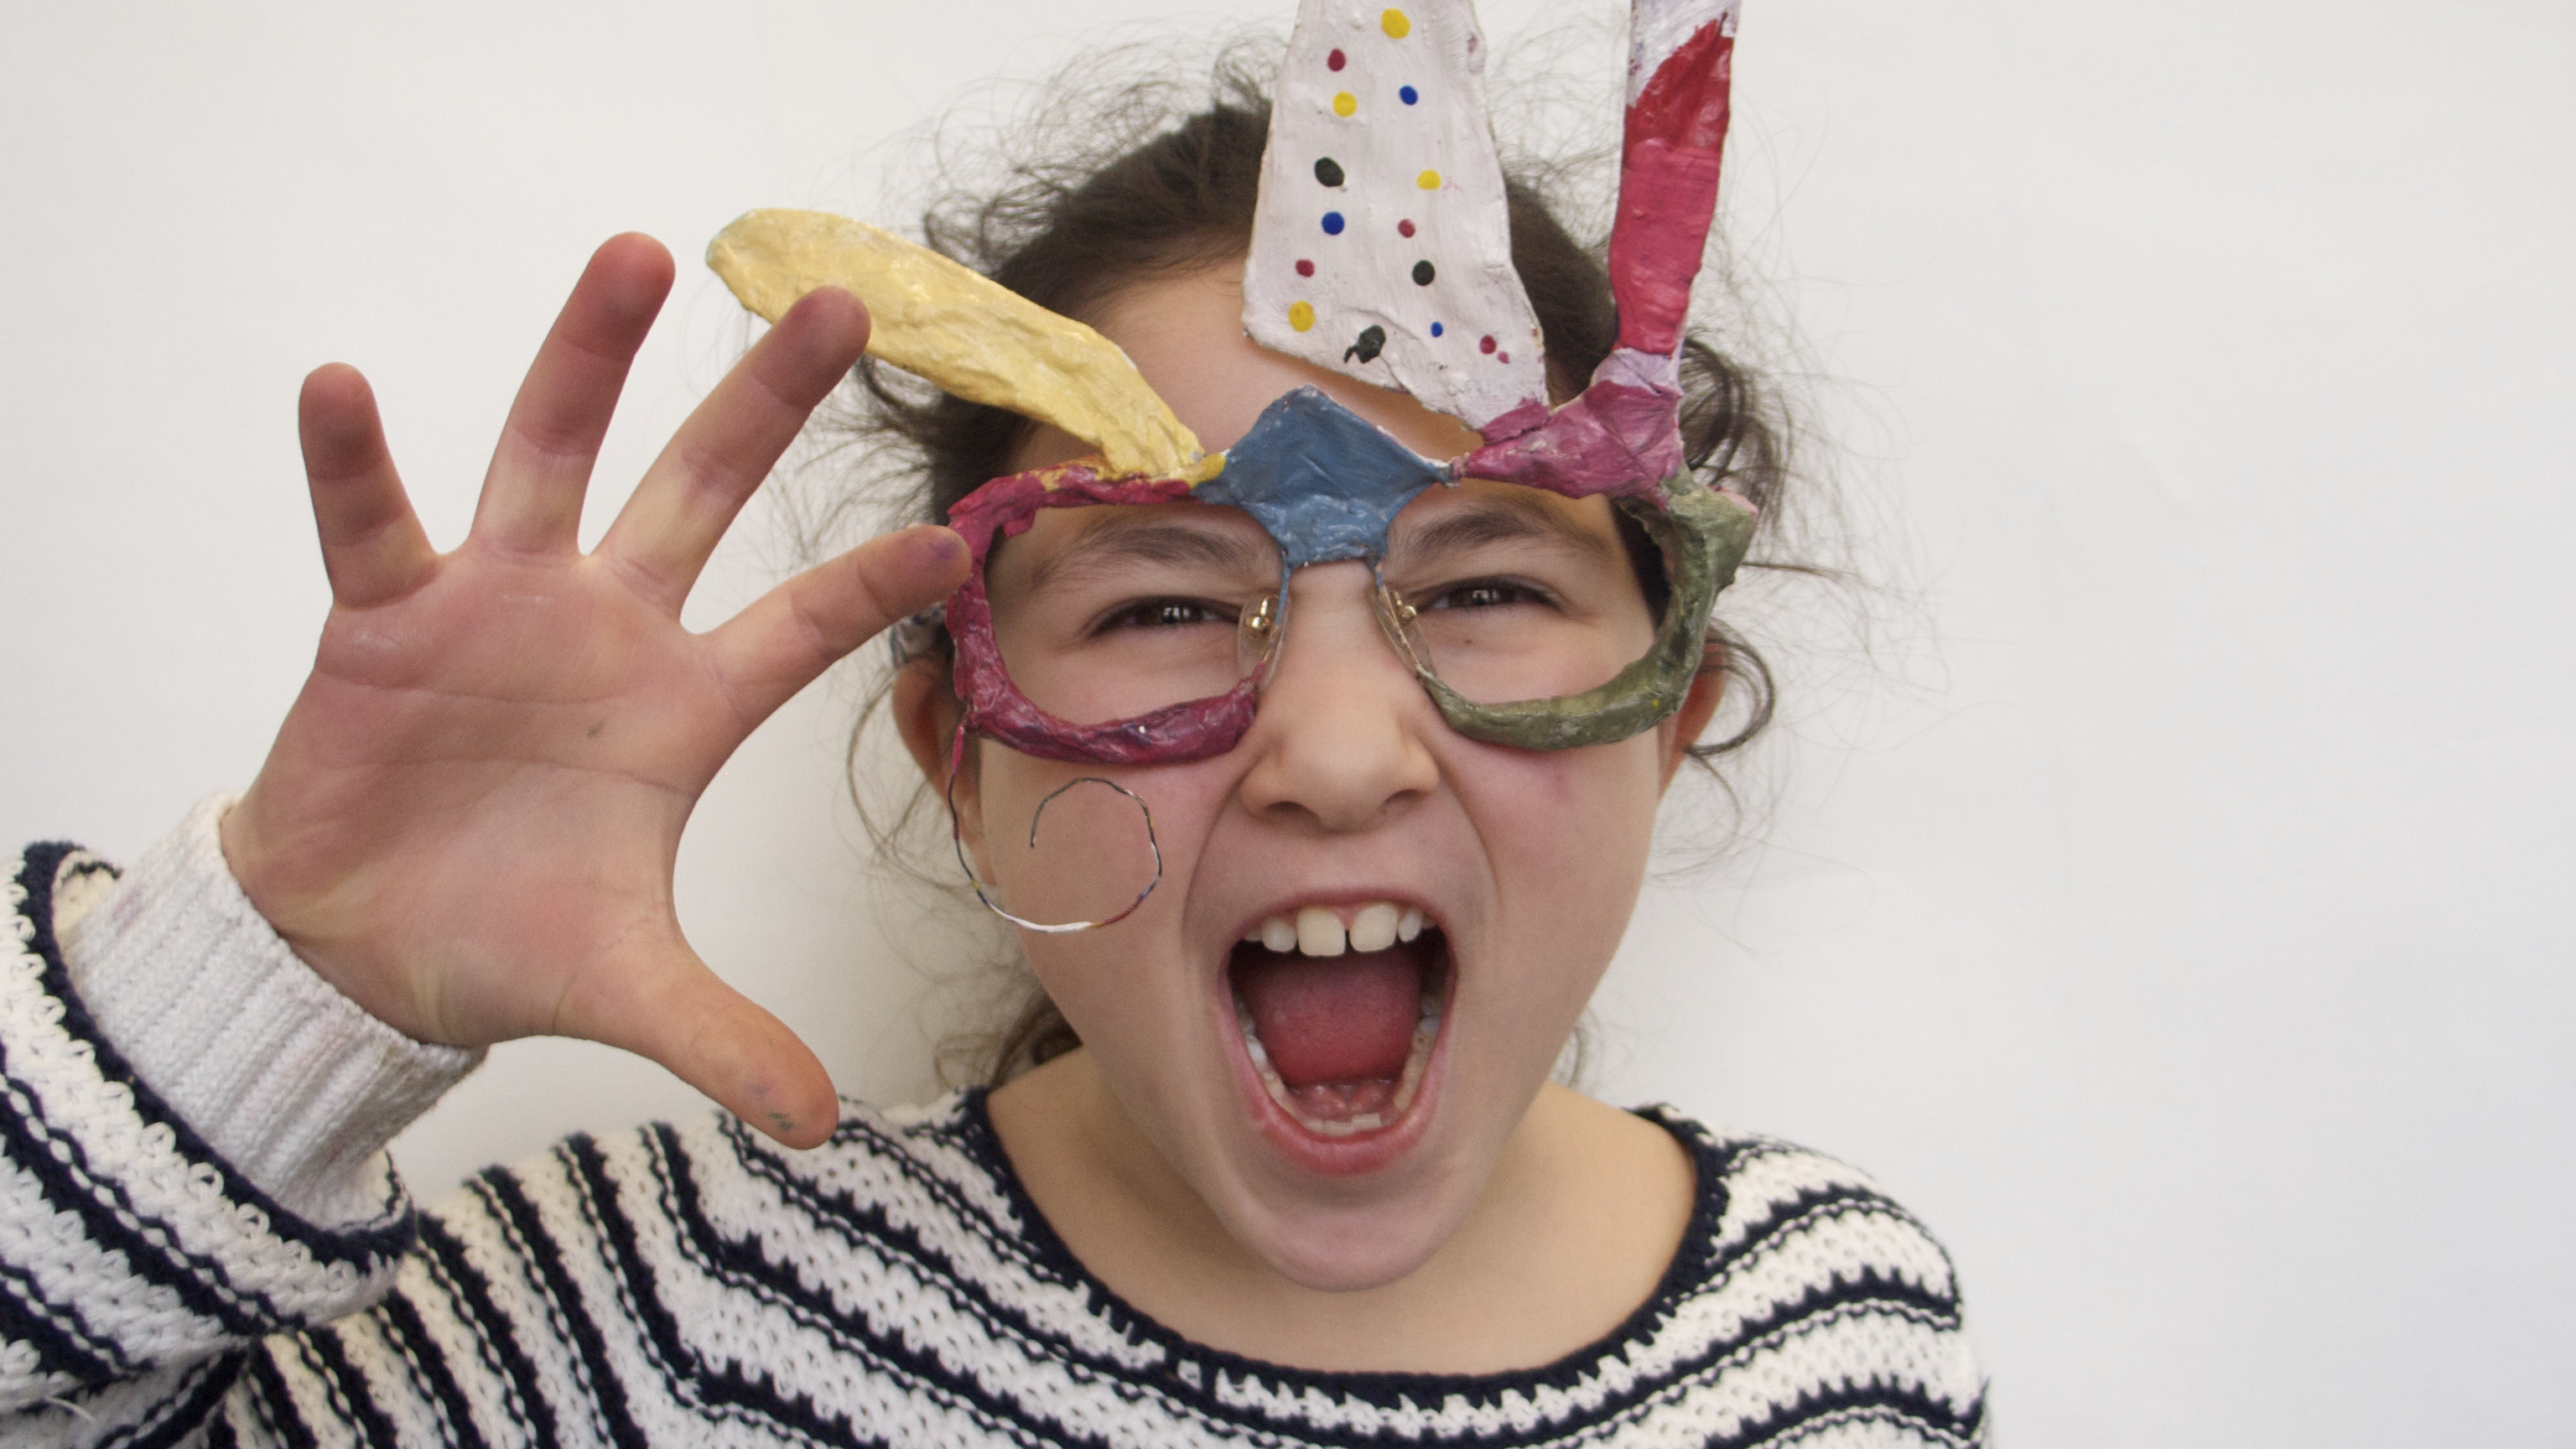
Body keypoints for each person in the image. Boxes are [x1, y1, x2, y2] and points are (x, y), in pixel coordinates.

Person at [0, 3, 1986, 1443]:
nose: (1336, 753)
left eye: (1484, 587)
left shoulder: (1838, 1336)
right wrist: (270, 996)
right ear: (963, 757)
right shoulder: (659, 1326)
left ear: (1669, 713)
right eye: (1161, 605)